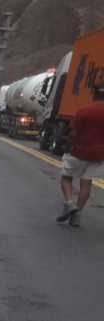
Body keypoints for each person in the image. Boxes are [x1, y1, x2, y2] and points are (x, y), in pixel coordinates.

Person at [56, 75, 104, 227]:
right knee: (86, 182)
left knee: (66, 176)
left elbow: (73, 133)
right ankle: (77, 214)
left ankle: (69, 203)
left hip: (78, 151)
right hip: (98, 155)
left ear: (95, 94)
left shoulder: (84, 111)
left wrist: (67, 144)